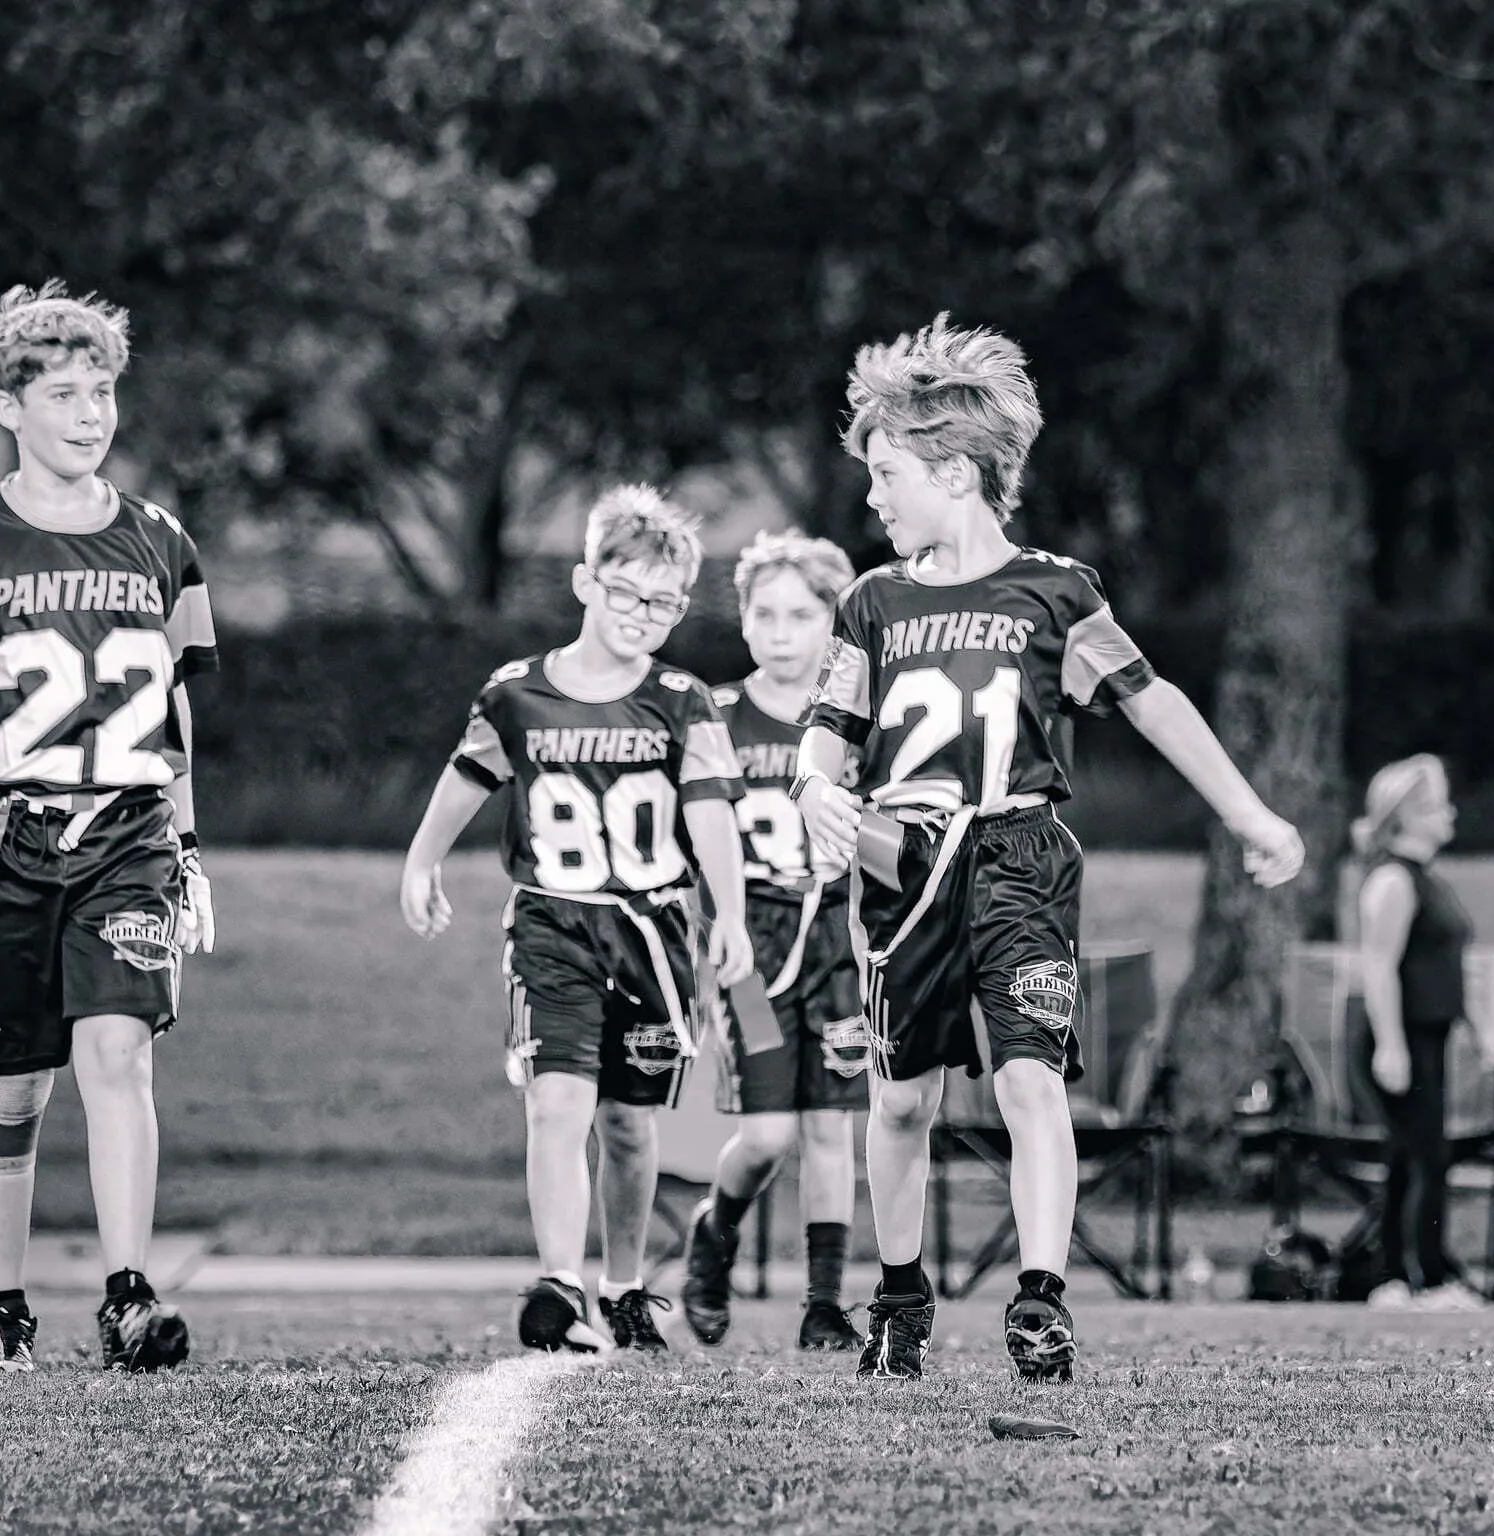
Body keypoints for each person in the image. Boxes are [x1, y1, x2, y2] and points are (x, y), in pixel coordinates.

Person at [793, 315, 1306, 1380]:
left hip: (1019, 855)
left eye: (887, 474)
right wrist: (810, 792)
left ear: (957, 473)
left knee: (1030, 1080)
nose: (873, 498)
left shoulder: (1054, 591)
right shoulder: (868, 603)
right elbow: (825, 736)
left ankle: (1039, 1300)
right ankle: (899, 1293)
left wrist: (1248, 814)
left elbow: (1151, 704)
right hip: (901, 868)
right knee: (900, 1099)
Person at [0, 281, 218, 1374]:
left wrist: (191, 846)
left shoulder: (161, 538)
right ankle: (4, 1303)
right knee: (11, 1085)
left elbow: (175, 703)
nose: (88, 413)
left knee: (117, 1052)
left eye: (102, 390)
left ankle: (126, 1295)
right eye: (62, 393)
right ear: (8, 405)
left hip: (125, 833)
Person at [401, 485, 755, 1354]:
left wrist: (732, 913)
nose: (644, 614)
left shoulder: (683, 699)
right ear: (585, 583)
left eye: (665, 602)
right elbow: (469, 776)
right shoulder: (518, 693)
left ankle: (623, 1287)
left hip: (652, 931)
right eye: (628, 592)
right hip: (553, 924)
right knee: (556, 1105)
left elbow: (711, 814)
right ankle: (560, 1286)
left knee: (630, 1127)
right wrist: (422, 857)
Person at [681, 531, 869, 1352]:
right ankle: (713, 1233)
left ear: (833, 622)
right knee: (769, 1134)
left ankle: (823, 1302)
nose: (783, 630)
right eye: (766, 613)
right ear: (744, 620)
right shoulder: (713, 714)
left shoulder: (859, 718)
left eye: (803, 613)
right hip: (750, 940)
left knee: (831, 1126)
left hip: (835, 939)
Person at [1351, 755, 1494, 1313]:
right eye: (1436, 805)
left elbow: (1454, 967)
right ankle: (1427, 1278)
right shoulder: (1391, 880)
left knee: (1408, 1158)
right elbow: (1379, 965)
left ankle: (1392, 1276)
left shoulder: (1428, 880)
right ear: (1405, 818)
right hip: (1401, 1039)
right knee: (1429, 1157)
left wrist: (1482, 1032)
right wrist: (1390, 1044)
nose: (1449, 812)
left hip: (1430, 1038)